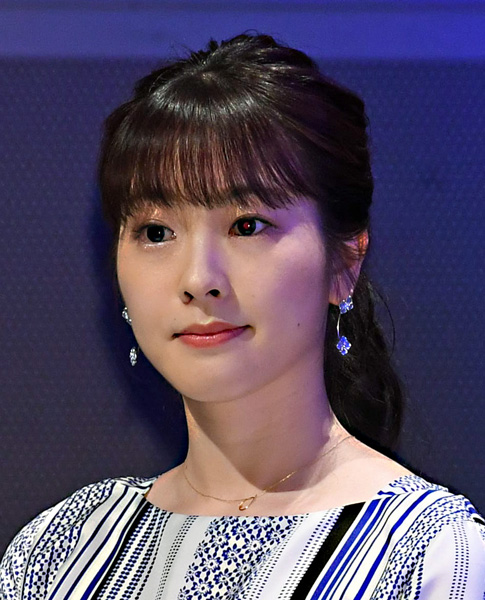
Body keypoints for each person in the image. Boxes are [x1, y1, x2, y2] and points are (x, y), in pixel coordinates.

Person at [1, 33, 484, 599]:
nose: (198, 279)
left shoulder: (433, 557)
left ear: (345, 262)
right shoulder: (58, 553)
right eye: (156, 232)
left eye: (246, 225)